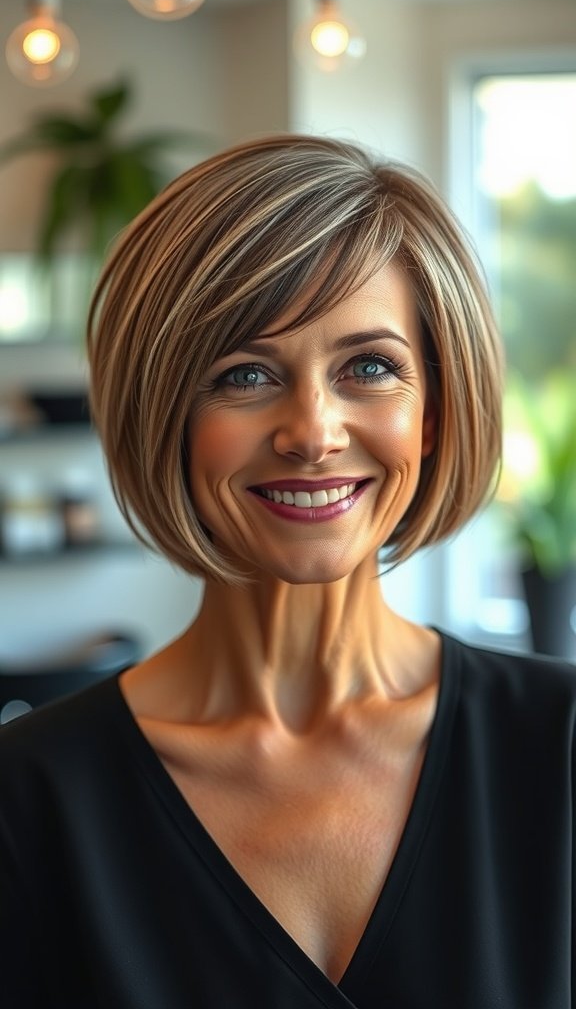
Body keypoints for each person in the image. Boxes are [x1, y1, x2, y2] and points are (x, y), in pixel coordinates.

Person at [0, 134, 574, 1009]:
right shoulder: (26, 803)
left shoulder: (559, 747)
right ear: (166, 418)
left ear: (435, 412)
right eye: (246, 374)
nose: (312, 432)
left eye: (370, 368)